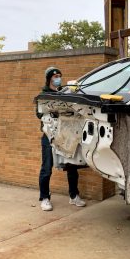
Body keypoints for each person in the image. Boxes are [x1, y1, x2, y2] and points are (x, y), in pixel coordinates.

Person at [37, 66, 86, 211]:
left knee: (72, 166)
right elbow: (39, 114)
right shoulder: (43, 95)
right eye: (55, 76)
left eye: (59, 75)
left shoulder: (65, 93)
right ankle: (44, 198)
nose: (58, 78)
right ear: (49, 78)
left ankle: (74, 196)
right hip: (49, 135)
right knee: (46, 168)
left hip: (65, 135)